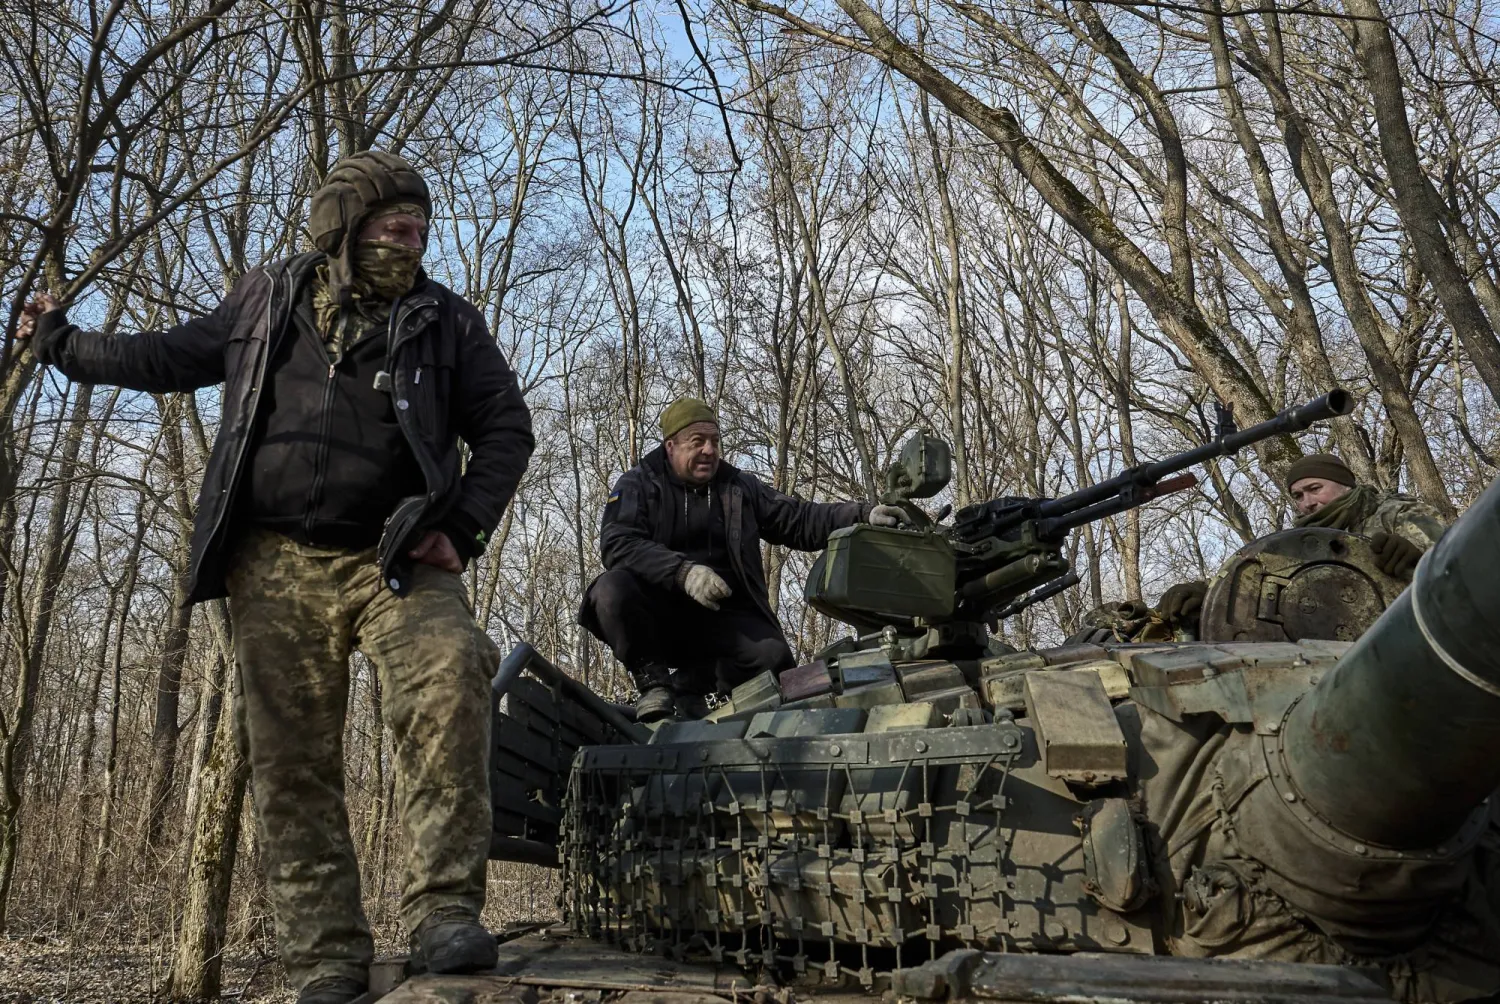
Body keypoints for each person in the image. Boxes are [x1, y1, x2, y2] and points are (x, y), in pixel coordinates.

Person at [16, 151, 534, 1004]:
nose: (412, 243)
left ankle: (444, 913)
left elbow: (507, 427)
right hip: (277, 562)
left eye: (420, 230)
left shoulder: (447, 320)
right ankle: (325, 957)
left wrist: (463, 526)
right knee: (292, 760)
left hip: (399, 558)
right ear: (343, 229)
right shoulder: (267, 299)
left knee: (450, 678)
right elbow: (165, 358)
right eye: (394, 227)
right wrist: (61, 343)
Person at [578, 398, 907, 722]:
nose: (709, 450)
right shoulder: (638, 484)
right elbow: (618, 543)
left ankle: (690, 684)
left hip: (724, 615)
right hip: (660, 618)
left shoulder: (737, 487)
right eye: (698, 442)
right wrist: (683, 573)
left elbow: (798, 518)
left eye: (715, 441)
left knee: (773, 658)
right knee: (610, 591)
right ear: (671, 447)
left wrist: (863, 515)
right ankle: (654, 684)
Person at [1284, 453, 1447, 576]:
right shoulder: (1298, 545)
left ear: (1345, 486)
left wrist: (1417, 555)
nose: (1307, 503)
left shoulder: (1397, 513)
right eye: (1298, 496)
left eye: (1315, 489)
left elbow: (1450, 560)